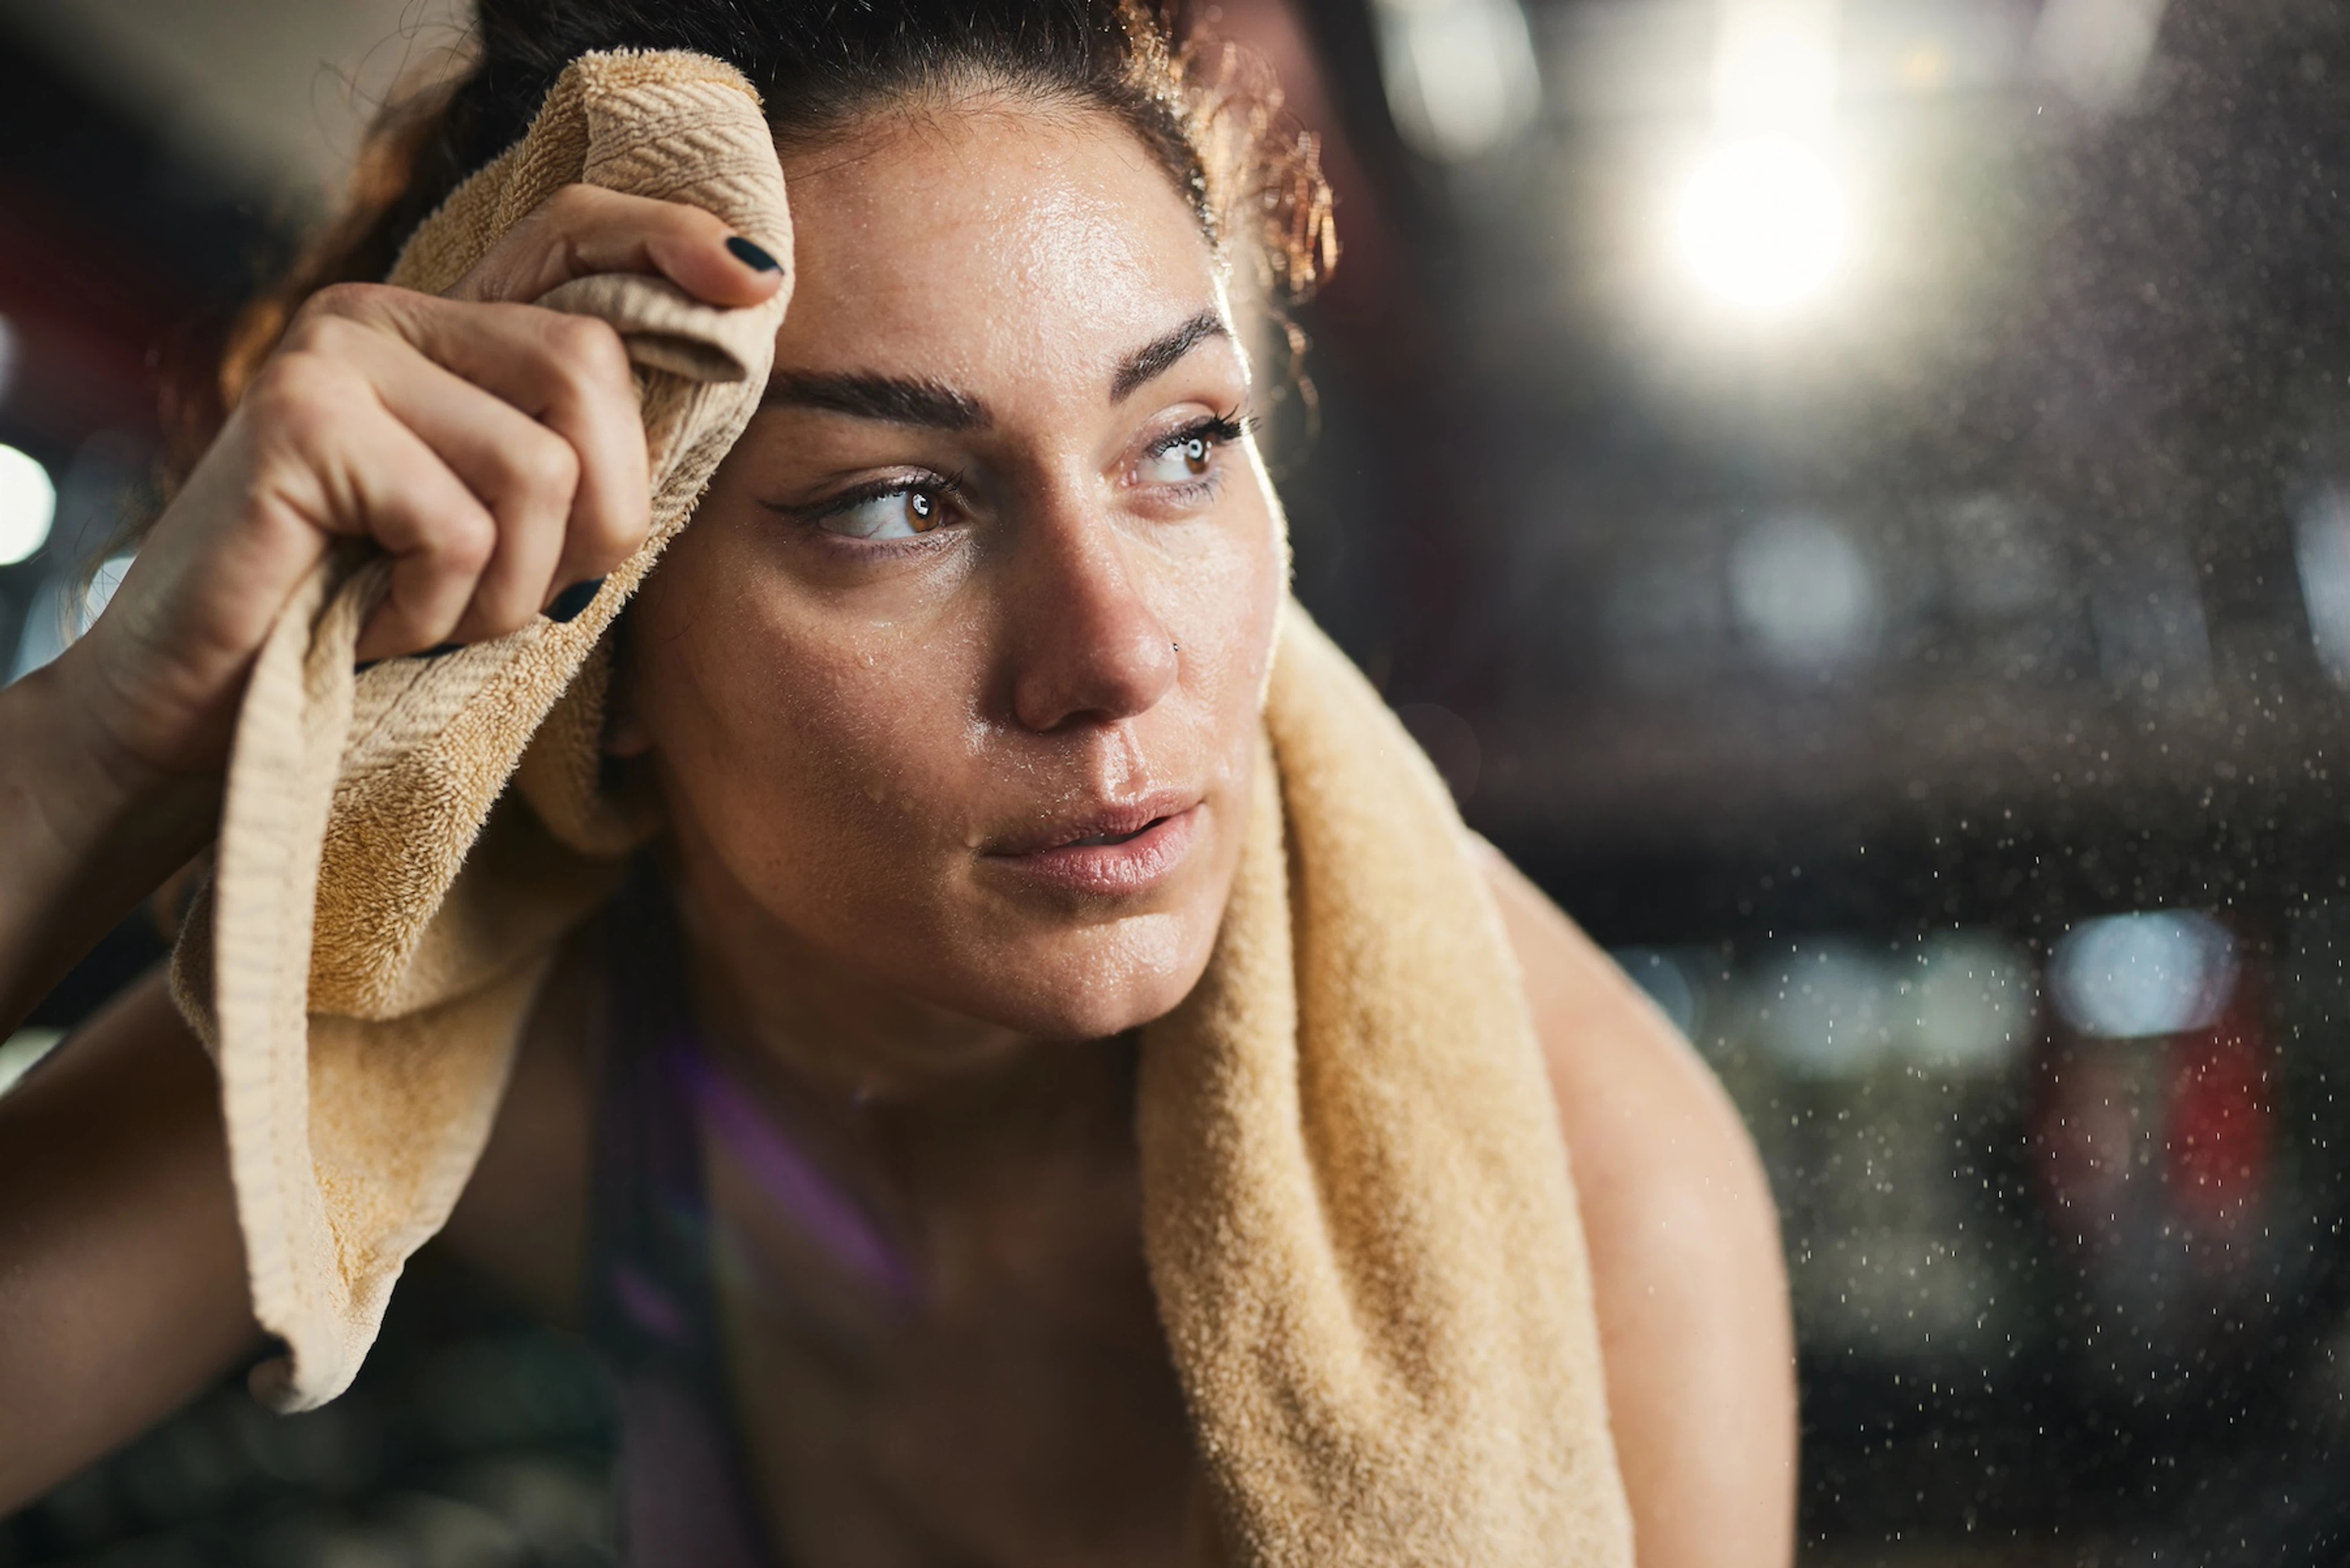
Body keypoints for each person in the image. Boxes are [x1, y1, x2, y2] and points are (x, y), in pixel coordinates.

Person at [0, 2, 1796, 1562]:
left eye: (1182, 447)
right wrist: (99, 748)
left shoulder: (1592, 1186)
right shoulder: (522, 1023)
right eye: (894, 502)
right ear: (598, 635)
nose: (1118, 657)